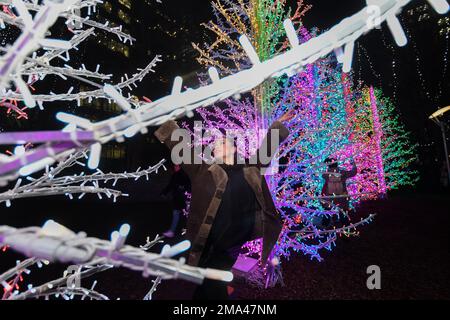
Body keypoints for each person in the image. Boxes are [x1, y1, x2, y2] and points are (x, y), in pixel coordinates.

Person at [154, 111, 293, 300]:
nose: (215, 146)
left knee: (212, 285)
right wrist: (163, 118)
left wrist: (277, 125)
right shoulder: (203, 171)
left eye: (221, 142)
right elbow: (182, 148)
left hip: (232, 244)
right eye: (214, 144)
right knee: (211, 285)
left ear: (234, 148)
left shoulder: (251, 168)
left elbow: (267, 148)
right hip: (208, 243)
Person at [321, 157, 357, 227]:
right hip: (342, 197)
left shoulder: (325, 174)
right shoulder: (343, 172)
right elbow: (353, 173)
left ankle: (325, 227)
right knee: (343, 213)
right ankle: (345, 228)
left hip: (330, 197)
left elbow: (323, 176)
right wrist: (353, 164)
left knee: (328, 211)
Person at [161, 164, 190, 238]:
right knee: (178, 214)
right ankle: (173, 231)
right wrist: (164, 192)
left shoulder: (183, 175)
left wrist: (182, 189)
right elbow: (171, 185)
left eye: (176, 166)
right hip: (179, 199)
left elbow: (187, 186)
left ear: (180, 166)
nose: (174, 167)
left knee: (184, 215)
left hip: (183, 198)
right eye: (174, 166)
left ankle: (179, 231)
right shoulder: (176, 175)